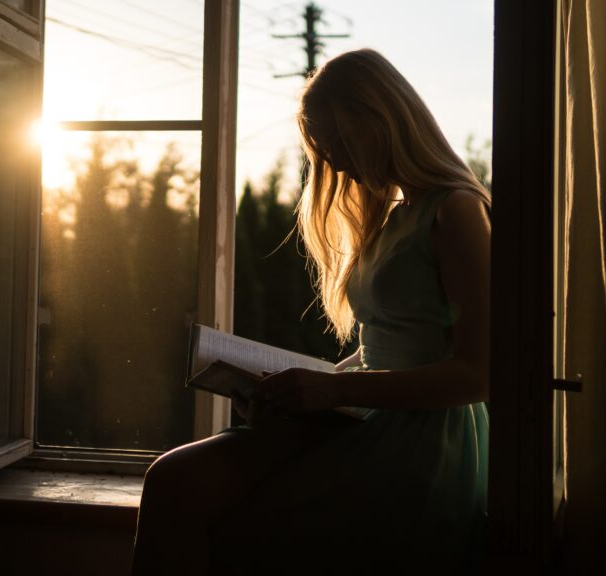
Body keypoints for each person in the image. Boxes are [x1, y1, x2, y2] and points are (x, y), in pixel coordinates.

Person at [130, 48, 491, 576]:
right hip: (367, 416)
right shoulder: (398, 217)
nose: (337, 164)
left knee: (205, 506)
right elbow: (378, 349)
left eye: (339, 142)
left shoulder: (456, 210)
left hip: (421, 441)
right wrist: (291, 393)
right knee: (174, 478)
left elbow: (479, 374)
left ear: (381, 119)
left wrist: (334, 391)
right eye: (324, 152)